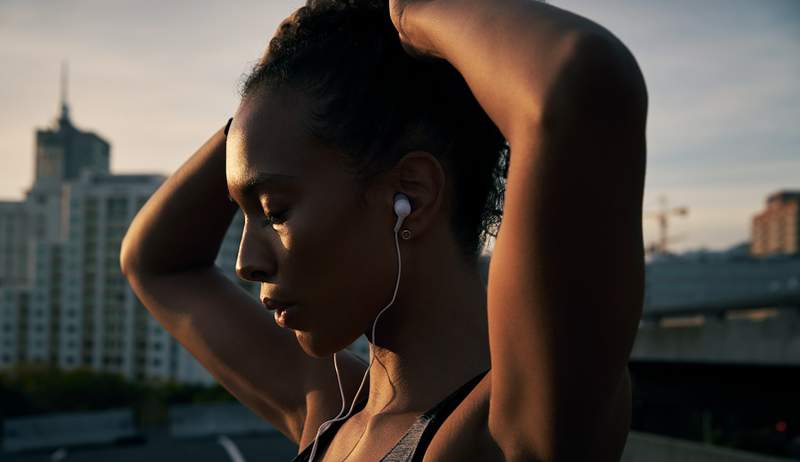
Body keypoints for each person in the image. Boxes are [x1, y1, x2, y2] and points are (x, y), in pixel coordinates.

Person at [120, 0, 647, 460]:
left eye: (275, 210)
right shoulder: (330, 413)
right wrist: (285, 74)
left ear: (411, 195)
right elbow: (155, 262)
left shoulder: (514, 428)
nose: (244, 262)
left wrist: (407, 11)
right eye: (244, 213)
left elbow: (579, 81)